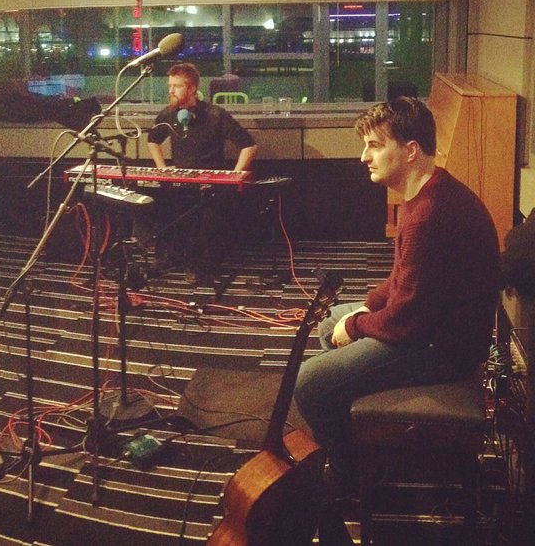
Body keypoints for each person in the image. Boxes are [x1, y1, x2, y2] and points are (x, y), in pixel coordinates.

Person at [294, 97, 500, 484]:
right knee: (330, 322)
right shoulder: (427, 192)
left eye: (374, 145)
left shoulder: (429, 215)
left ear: (410, 151)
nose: (363, 157)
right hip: (430, 326)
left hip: (444, 349)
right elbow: (403, 278)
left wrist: (356, 326)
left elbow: (406, 322)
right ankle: (363, 420)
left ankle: (348, 467)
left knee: (309, 383)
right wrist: (366, 307)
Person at [144, 62, 257, 284]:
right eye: (170, 86)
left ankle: (200, 265)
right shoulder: (169, 114)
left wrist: (234, 175)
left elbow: (249, 145)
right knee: (159, 207)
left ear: (192, 88)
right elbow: (152, 140)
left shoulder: (216, 115)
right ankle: (169, 257)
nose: (171, 90)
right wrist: (161, 168)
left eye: (177, 86)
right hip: (180, 183)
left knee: (207, 218)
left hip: (211, 187)